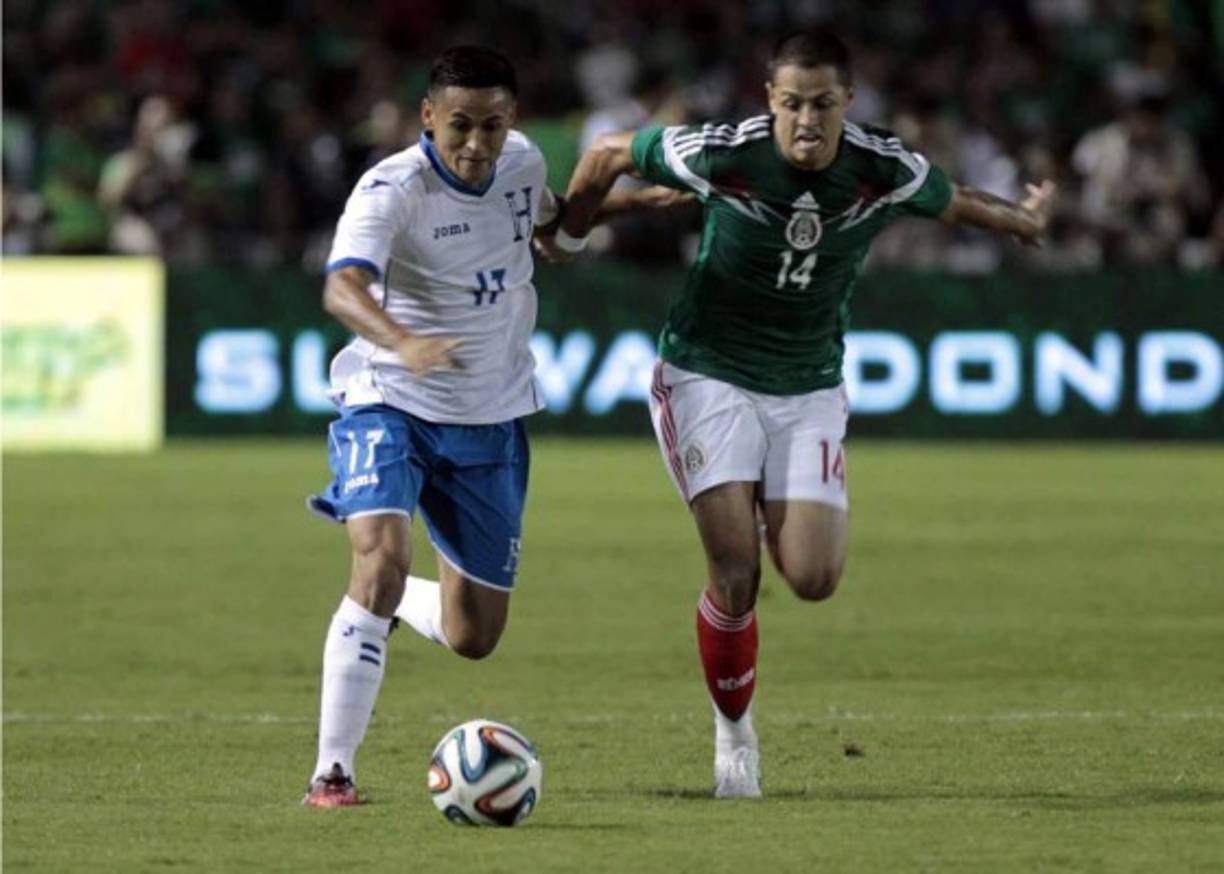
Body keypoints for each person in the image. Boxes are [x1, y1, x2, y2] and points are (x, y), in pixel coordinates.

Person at [543, 28, 1056, 799]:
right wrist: (574, 233)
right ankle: (734, 736)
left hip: (809, 384)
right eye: (791, 103)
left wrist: (1022, 219)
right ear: (769, 102)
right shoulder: (726, 152)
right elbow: (607, 152)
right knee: (736, 572)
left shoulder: (883, 167)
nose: (807, 120)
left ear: (848, 102)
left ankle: (751, 503)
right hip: (706, 372)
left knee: (813, 578)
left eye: (822, 104)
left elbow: (953, 202)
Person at [302, 45, 677, 807]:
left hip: (490, 417)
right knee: (377, 558)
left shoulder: (526, 164)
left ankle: (395, 600)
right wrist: (401, 341)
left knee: (474, 636)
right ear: (428, 118)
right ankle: (332, 773)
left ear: (513, 123)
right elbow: (342, 288)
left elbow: (545, 235)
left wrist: (626, 203)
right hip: (390, 398)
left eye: (493, 127)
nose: (476, 145)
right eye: (460, 126)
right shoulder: (390, 189)